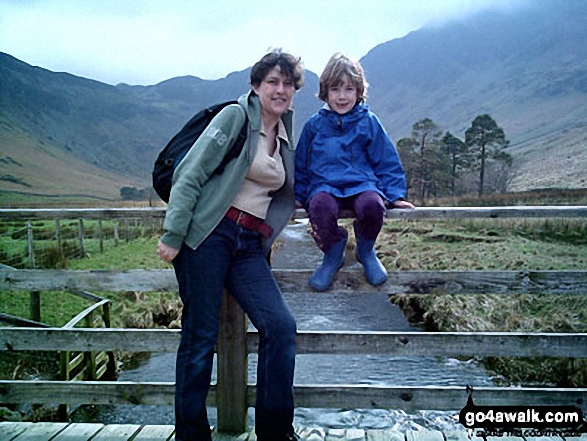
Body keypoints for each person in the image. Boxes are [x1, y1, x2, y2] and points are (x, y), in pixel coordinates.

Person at [156, 49, 304, 441]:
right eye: (273, 81)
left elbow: (284, 190)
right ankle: (191, 433)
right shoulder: (235, 117)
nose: (281, 89)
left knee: (280, 326)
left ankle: (275, 431)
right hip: (208, 235)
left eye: (288, 83)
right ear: (256, 85)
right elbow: (191, 172)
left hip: (248, 244)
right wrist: (173, 234)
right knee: (201, 336)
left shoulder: (285, 134)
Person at [294, 52, 414, 292]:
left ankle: (366, 250)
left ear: (359, 91)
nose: (341, 96)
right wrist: (299, 195)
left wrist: (396, 195)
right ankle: (333, 253)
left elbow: (386, 161)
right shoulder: (313, 126)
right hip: (324, 186)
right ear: (325, 91)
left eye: (349, 89)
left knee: (372, 205)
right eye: (335, 88)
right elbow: (302, 165)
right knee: (319, 207)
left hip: (362, 184)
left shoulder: (369, 122)